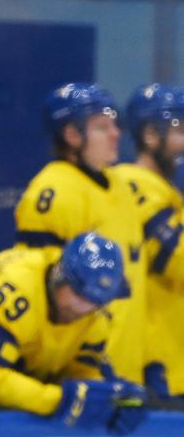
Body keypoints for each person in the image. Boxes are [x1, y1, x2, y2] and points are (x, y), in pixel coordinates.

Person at [15, 82, 147, 385]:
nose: (116, 134)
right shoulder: (54, 191)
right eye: (102, 127)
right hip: (82, 374)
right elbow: (44, 290)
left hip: (126, 370)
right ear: (72, 135)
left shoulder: (122, 185)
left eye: (115, 124)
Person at [0, 231, 145, 432]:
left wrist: (109, 398)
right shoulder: (16, 292)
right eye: (78, 294)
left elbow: (83, 374)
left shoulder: (96, 314)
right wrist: (59, 401)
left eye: (95, 301)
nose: (84, 308)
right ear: (60, 275)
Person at [117, 83, 184, 398]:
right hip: (158, 366)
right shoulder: (135, 183)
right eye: (179, 130)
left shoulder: (166, 190)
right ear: (150, 135)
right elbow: (179, 262)